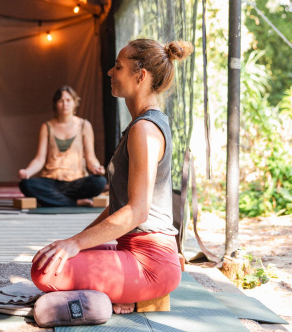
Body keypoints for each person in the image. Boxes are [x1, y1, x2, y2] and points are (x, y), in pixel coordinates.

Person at [31, 39, 194, 314]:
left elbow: (137, 212)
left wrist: (75, 244)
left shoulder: (144, 130)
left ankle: (132, 295)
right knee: (50, 256)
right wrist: (76, 242)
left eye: (118, 67)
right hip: (133, 250)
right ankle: (121, 292)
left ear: (140, 76)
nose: (110, 72)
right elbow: (117, 206)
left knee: (43, 271)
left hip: (150, 264)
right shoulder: (140, 125)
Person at [18, 86, 107, 207]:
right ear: (56, 104)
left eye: (68, 100)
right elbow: (39, 159)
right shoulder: (47, 126)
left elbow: (91, 157)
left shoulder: (84, 125)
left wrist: (96, 168)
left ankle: (56, 200)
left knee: (100, 182)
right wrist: (28, 171)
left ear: (75, 102)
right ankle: (74, 202)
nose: (65, 104)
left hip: (76, 181)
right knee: (26, 185)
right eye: (61, 101)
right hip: (52, 181)